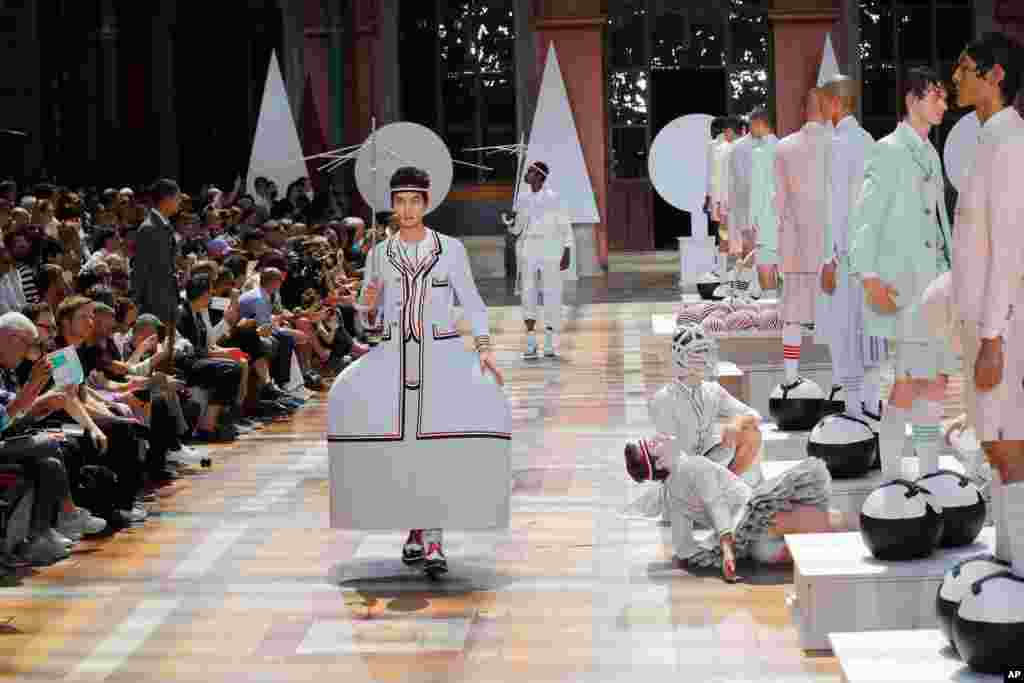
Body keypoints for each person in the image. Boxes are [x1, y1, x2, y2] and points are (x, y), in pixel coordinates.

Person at [328, 166, 510, 578]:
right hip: (392, 360)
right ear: (391, 204)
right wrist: (368, 307)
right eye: (400, 201)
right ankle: (413, 526)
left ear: (427, 203)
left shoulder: (451, 250)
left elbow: (473, 304)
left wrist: (484, 349)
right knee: (398, 445)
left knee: (438, 447)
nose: (407, 209)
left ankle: (434, 538)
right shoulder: (379, 254)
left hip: (442, 358)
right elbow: (368, 325)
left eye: (415, 201)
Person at [849, 67, 953, 479]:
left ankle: (928, 472)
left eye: (944, 97)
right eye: (935, 97)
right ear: (912, 101)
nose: (943, 105)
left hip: (937, 286)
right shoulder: (888, 150)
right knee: (910, 381)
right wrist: (868, 275)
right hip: (906, 286)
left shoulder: (930, 152)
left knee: (937, 379)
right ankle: (892, 475)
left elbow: (940, 223)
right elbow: (865, 219)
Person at [949, 32, 1024, 579]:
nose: (957, 77)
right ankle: (1007, 551)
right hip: (983, 319)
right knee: (994, 438)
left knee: (1007, 440)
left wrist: (994, 336)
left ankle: (1018, 562)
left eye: (967, 68)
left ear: (997, 76)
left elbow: (1010, 246)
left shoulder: (1009, 142)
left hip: (1004, 321)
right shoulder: (987, 137)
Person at [818, 75, 882, 421]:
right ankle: (872, 405)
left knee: (846, 333)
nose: (821, 108)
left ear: (835, 103)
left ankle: (855, 409)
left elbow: (837, 206)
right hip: (869, 253)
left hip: (845, 254)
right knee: (868, 331)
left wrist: (830, 257)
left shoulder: (838, 144)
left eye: (824, 101)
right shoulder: (869, 140)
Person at [648, 324, 764, 486]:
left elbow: (755, 414)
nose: (705, 360)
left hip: (711, 461)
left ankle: (732, 486)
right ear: (680, 357)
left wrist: (737, 423)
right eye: (697, 354)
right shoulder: (663, 399)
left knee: (751, 432)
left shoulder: (713, 390)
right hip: (683, 472)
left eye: (706, 352)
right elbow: (669, 454)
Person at [773, 89, 831, 387]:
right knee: (835, 316)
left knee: (793, 315)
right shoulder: (837, 145)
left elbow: (779, 204)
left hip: (795, 246)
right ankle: (838, 384)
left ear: (803, 109)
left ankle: (791, 378)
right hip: (832, 248)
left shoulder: (784, 147)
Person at [506, 161, 572, 359]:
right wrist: (509, 222)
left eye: (531, 172)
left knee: (552, 292)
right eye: (527, 171)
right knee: (528, 293)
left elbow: (565, 225)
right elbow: (517, 229)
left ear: (540, 176)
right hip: (528, 250)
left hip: (551, 250)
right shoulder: (522, 198)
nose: (527, 174)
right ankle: (531, 341)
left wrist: (567, 251)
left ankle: (550, 342)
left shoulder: (555, 198)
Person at [132, 179, 182, 366]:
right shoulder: (149, 228)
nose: (179, 203)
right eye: (177, 198)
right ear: (166, 199)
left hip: (167, 298)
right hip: (154, 301)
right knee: (156, 352)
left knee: (168, 350)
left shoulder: (163, 225)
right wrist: (137, 301)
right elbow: (140, 270)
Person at [747, 107, 780, 294]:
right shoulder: (784, 147)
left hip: (766, 219)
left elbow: (758, 190)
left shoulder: (760, 152)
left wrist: (752, 220)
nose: (750, 130)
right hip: (785, 221)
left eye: (751, 125)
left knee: (765, 269)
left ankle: (772, 314)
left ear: (759, 124)